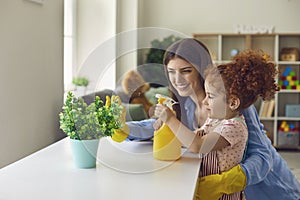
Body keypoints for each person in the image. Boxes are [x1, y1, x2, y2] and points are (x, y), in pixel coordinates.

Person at [123, 38, 300, 199]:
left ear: (201, 69)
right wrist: (124, 128)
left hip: (268, 191)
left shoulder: (231, 103)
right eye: (171, 72)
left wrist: (231, 180)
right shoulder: (185, 103)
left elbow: (262, 155)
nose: (177, 80)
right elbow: (161, 127)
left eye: (185, 71)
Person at [155, 49, 280, 200]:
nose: (204, 101)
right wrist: (168, 127)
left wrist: (170, 120)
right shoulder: (215, 119)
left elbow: (198, 145)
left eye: (211, 96)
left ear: (233, 102)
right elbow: (195, 135)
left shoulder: (234, 127)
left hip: (222, 196)